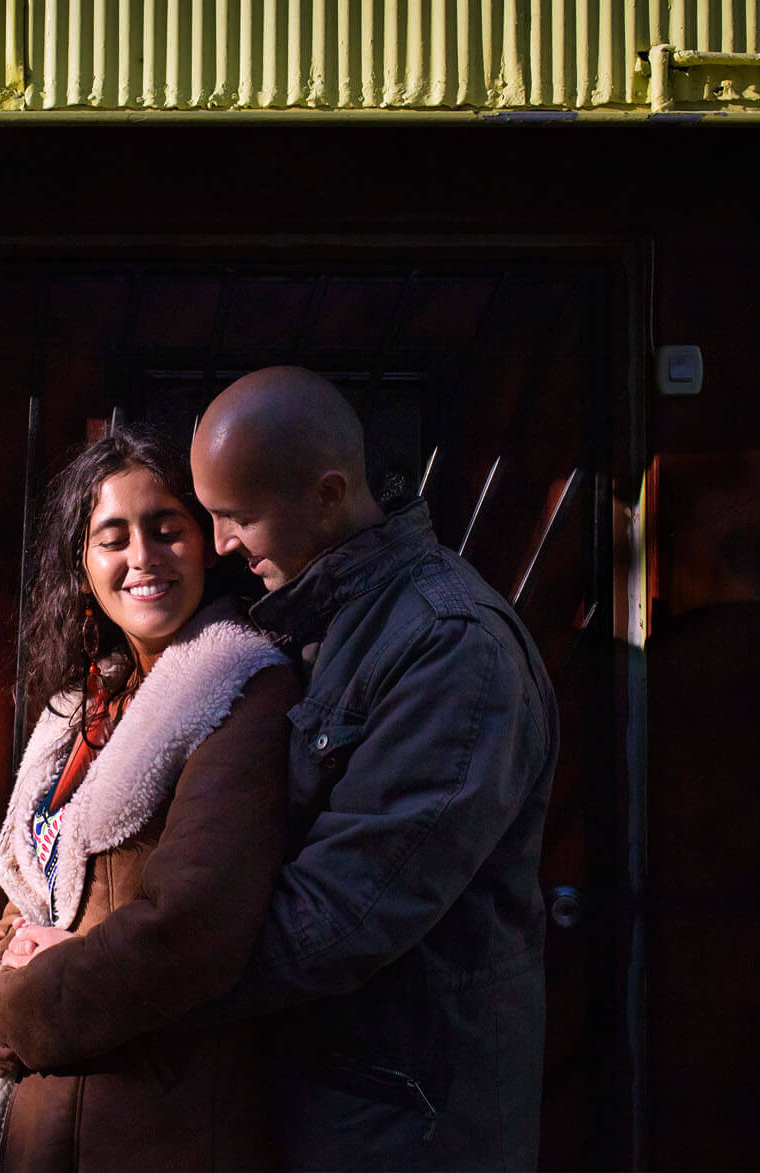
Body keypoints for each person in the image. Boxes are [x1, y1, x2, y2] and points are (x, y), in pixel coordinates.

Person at [188, 366, 560, 1171]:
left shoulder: (450, 647)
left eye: (238, 517)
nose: (219, 544)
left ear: (327, 494)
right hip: (343, 1105)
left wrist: (129, 981)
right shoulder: (319, 621)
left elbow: (338, 920)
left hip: (406, 1126)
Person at [0, 426, 299, 1169]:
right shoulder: (84, 707)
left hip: (160, 1121)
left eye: (166, 529)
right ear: (82, 565)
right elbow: (38, 899)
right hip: (44, 1116)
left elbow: (185, 932)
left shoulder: (245, 688)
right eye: (112, 538)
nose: (142, 558)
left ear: (208, 542)